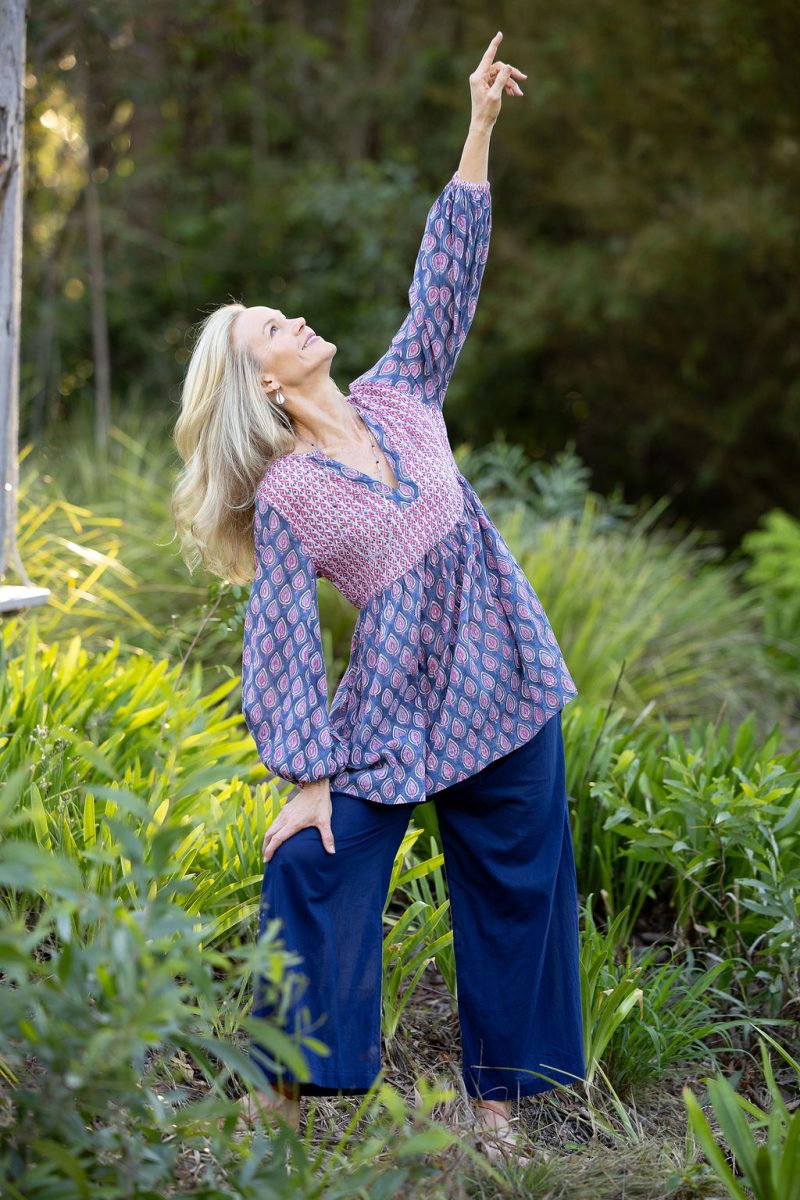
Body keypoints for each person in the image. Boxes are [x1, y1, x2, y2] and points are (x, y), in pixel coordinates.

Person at [171, 31, 584, 1160]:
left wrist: (480, 126)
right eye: (272, 328)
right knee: (308, 861)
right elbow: (283, 647)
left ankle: (495, 1112)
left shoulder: (399, 392)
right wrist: (305, 776)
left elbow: (442, 280)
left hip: (504, 678)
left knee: (514, 886)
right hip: (393, 717)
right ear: (262, 381)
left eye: (283, 314)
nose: (294, 322)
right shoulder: (292, 492)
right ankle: (282, 1094)